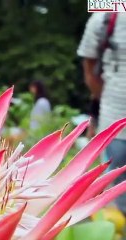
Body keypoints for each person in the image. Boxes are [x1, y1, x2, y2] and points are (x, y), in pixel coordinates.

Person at [78, 13, 126, 214]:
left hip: (113, 121)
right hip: (115, 126)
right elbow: (90, 71)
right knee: (117, 199)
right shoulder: (105, 18)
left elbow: (90, 73)